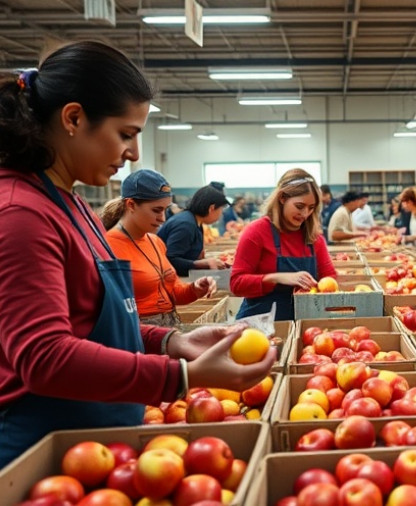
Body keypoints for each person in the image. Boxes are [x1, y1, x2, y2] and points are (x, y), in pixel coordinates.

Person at [0, 41, 274, 466]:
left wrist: (172, 341)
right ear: (73, 118)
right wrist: (182, 377)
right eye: (125, 134)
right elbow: (45, 356)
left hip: (96, 441)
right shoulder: (21, 212)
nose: (134, 154)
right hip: (44, 452)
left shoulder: (71, 204)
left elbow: (101, 324)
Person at [102, 170, 216, 326]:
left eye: (165, 210)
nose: (162, 218)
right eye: (156, 210)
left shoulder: (155, 242)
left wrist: (195, 289)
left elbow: (173, 292)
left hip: (168, 329)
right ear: (131, 205)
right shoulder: (107, 248)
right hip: (137, 334)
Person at [231, 169, 337, 321]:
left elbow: (329, 277)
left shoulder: (314, 238)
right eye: (300, 206)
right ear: (282, 198)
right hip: (257, 327)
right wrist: (276, 278)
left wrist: (319, 290)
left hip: (303, 326)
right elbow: (236, 284)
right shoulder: (256, 232)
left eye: (311, 207)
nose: (305, 214)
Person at [157, 184, 230, 276]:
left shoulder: (195, 222)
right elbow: (170, 260)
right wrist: (201, 264)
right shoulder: (186, 224)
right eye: (221, 210)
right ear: (211, 208)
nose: (221, 215)